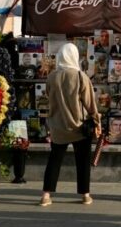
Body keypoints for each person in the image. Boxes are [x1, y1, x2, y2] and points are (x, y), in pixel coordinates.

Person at [39, 44, 101, 207]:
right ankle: (85, 194)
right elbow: (90, 104)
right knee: (82, 161)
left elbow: (48, 98)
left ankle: (46, 195)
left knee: (54, 160)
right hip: (79, 127)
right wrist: (97, 121)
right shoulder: (81, 77)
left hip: (58, 126)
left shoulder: (52, 77)